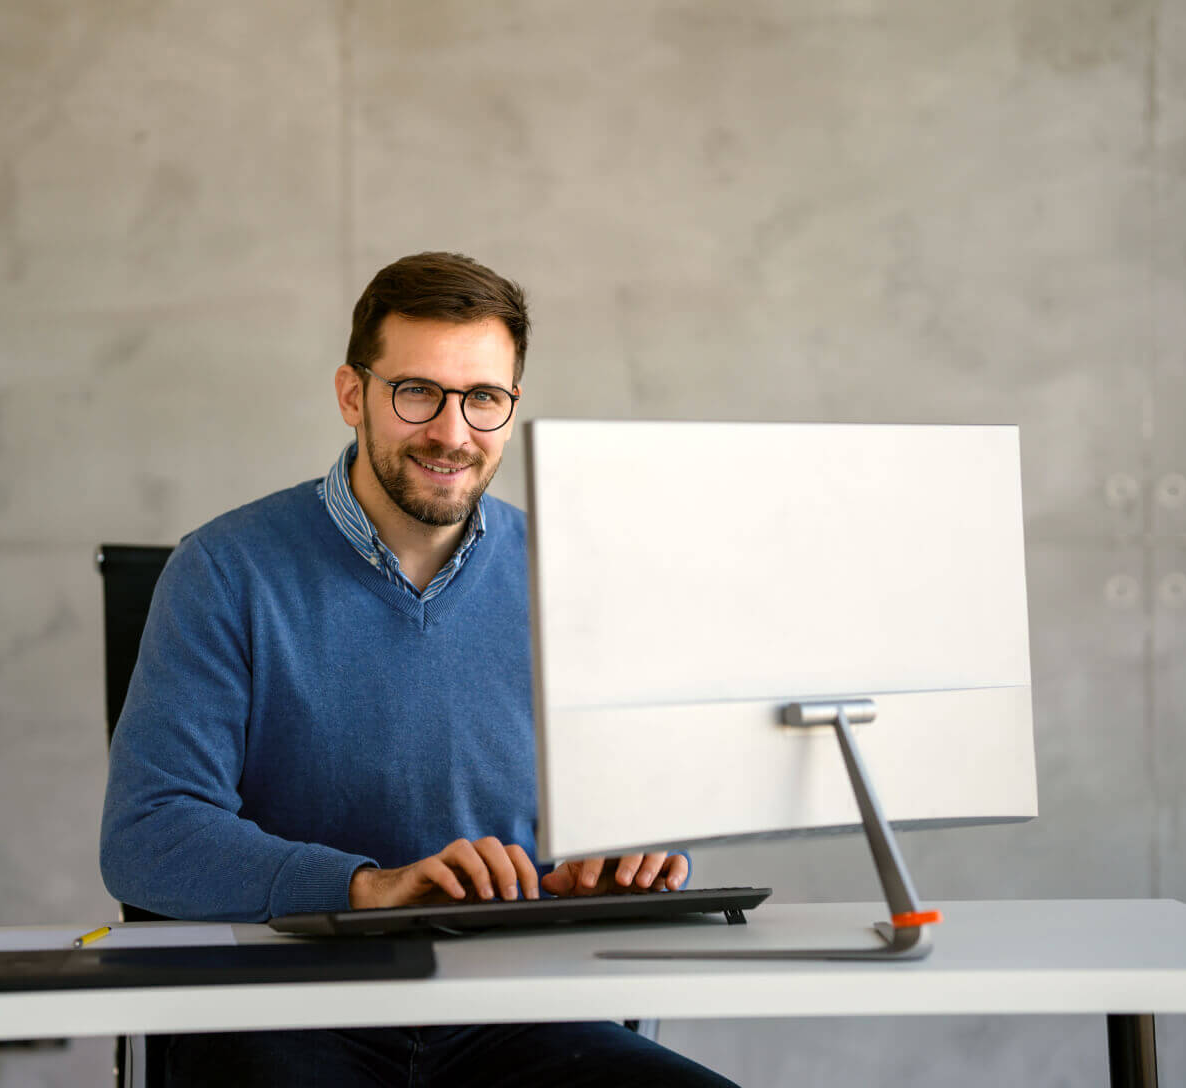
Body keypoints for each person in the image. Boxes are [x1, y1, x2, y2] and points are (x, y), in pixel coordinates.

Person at [100, 251, 737, 1087]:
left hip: (516, 1013)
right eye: (417, 393)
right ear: (352, 394)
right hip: (283, 1013)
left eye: (483, 398)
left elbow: (636, 804)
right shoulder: (224, 570)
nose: (451, 431)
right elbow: (149, 835)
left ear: (512, 408)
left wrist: (620, 860)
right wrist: (364, 888)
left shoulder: (571, 576)